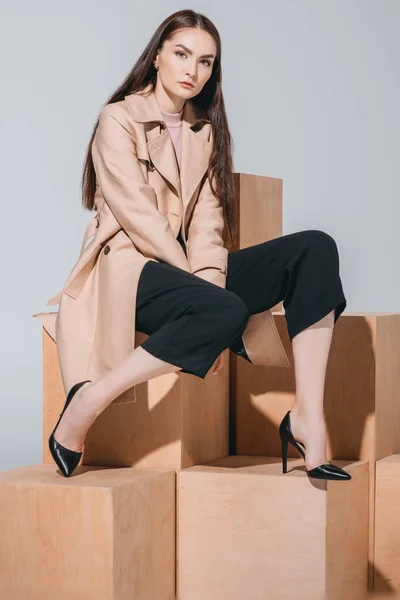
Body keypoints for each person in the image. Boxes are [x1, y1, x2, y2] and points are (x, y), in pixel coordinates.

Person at [48, 9, 350, 481]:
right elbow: (139, 218)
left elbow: (209, 225)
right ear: (157, 57)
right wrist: (209, 296)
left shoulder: (204, 132)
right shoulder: (118, 118)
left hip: (187, 272)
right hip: (130, 270)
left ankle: (308, 417)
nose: (193, 70)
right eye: (182, 54)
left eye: (206, 62)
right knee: (224, 310)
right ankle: (88, 400)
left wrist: (209, 284)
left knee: (315, 248)